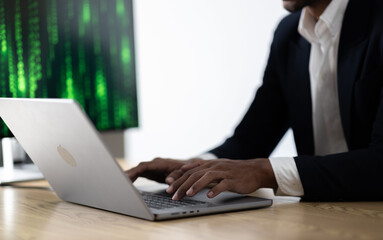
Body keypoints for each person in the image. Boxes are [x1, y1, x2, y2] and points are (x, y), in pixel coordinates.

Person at [127, 0, 383, 201]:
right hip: (321, 217)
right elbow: (249, 143)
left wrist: (266, 172)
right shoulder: (288, 35)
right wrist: (192, 168)